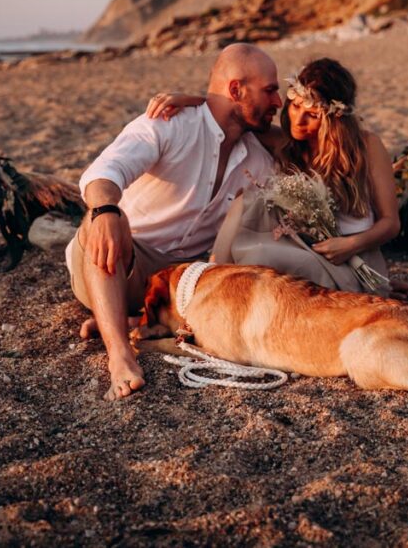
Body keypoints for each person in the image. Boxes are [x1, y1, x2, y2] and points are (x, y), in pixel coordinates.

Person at [69, 43, 280, 400]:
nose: (278, 102)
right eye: (271, 90)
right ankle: (119, 353)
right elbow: (104, 173)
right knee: (101, 216)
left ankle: (134, 319)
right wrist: (105, 211)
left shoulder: (259, 160)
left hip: (185, 283)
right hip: (123, 262)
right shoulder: (168, 124)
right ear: (236, 90)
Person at [149, 57, 401, 295]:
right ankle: (209, 279)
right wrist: (193, 100)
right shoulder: (285, 143)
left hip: (354, 259)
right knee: (246, 205)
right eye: (295, 106)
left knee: (260, 259)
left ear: (335, 120)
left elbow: (391, 223)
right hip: (306, 249)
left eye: (311, 115)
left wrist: (351, 245)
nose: (297, 120)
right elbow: (234, 112)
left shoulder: (366, 146)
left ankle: (208, 288)